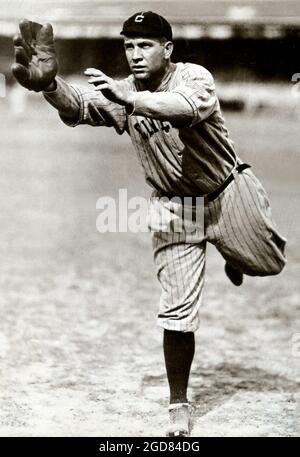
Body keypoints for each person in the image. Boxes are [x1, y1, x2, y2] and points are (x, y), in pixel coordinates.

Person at [12, 12, 287, 437]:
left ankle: (234, 253)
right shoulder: (123, 90)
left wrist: (132, 103)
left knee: (269, 264)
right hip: (175, 209)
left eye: (145, 45)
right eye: (129, 45)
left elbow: (186, 108)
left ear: (168, 49)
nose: (135, 55)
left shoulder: (193, 76)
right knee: (176, 309)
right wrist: (49, 86)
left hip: (228, 192)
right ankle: (179, 402)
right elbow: (82, 105)